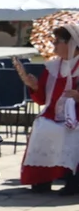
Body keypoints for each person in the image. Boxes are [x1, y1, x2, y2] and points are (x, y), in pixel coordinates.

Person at [16, 26, 79, 195]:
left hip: (76, 117)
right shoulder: (52, 67)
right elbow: (42, 99)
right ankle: (41, 180)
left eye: (58, 41)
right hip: (53, 115)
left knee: (70, 133)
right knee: (42, 127)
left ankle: (72, 181)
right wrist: (34, 86)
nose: (54, 45)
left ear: (71, 43)